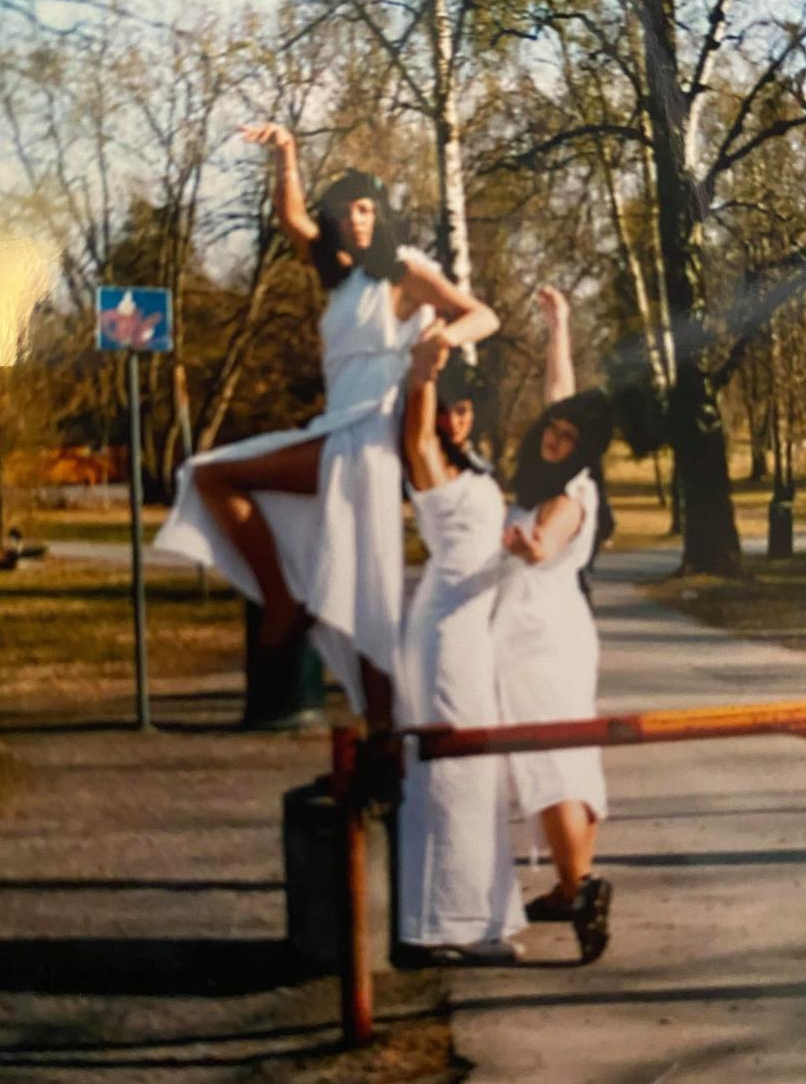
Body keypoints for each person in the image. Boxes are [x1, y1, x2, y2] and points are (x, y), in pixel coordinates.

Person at [154, 122, 498, 727]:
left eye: (367, 209)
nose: (358, 220)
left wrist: (441, 336)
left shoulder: (402, 273)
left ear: (380, 215)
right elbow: (292, 220)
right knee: (212, 478)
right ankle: (290, 603)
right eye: (346, 212)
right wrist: (287, 152)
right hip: (335, 430)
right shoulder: (341, 283)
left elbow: (482, 316)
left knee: (370, 597)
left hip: (370, 436)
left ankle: (386, 731)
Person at [493, 286, 613, 964]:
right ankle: (574, 886)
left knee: (551, 767)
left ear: (583, 449)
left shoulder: (569, 493)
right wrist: (559, 326)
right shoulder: (563, 469)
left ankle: (583, 886)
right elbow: (558, 393)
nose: (553, 435)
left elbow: (546, 540)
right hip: (552, 628)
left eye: (566, 435)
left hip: (539, 635)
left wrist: (525, 546)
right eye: (553, 428)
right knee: (567, 759)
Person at [394, 340, 525, 964]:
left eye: (465, 409)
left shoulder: (476, 466)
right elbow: (418, 431)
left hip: (477, 631)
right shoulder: (425, 461)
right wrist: (424, 374)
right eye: (447, 410)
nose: (456, 420)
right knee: (443, 775)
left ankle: (478, 918)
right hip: (443, 632)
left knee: (480, 776)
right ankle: (430, 926)